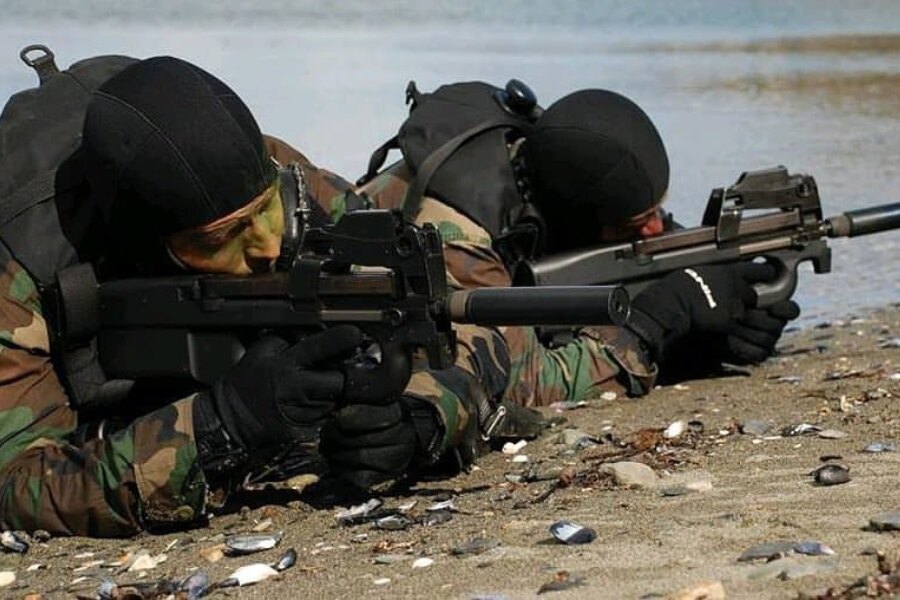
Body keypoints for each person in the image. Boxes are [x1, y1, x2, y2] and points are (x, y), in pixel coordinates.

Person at [0, 56, 507, 536]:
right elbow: (14, 488)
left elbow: (448, 316)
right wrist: (220, 427)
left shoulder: (274, 181)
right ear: (148, 247)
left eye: (264, 212)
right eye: (223, 238)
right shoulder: (18, 270)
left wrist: (421, 414)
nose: (267, 246)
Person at [346, 83, 800, 391]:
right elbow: (522, 381)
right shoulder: (458, 234)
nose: (657, 229)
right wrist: (654, 324)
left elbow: (627, 258)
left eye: (658, 209)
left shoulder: (545, 170)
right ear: (578, 217)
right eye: (637, 223)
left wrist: (715, 321)